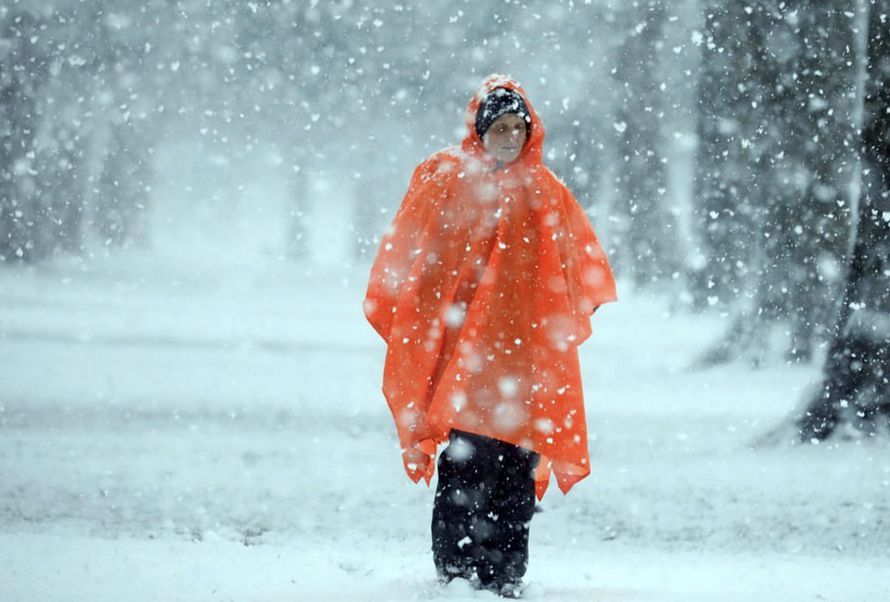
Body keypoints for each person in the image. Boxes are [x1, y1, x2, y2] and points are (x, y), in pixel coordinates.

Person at [364, 73, 617, 597]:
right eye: (497, 128)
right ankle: (457, 569)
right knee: (468, 461)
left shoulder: (547, 193)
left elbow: (576, 268)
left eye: (517, 128)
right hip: (468, 359)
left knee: (517, 468)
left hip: (523, 359)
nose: (508, 138)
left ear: (530, 133)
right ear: (479, 132)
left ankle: (506, 570)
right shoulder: (448, 182)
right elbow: (419, 259)